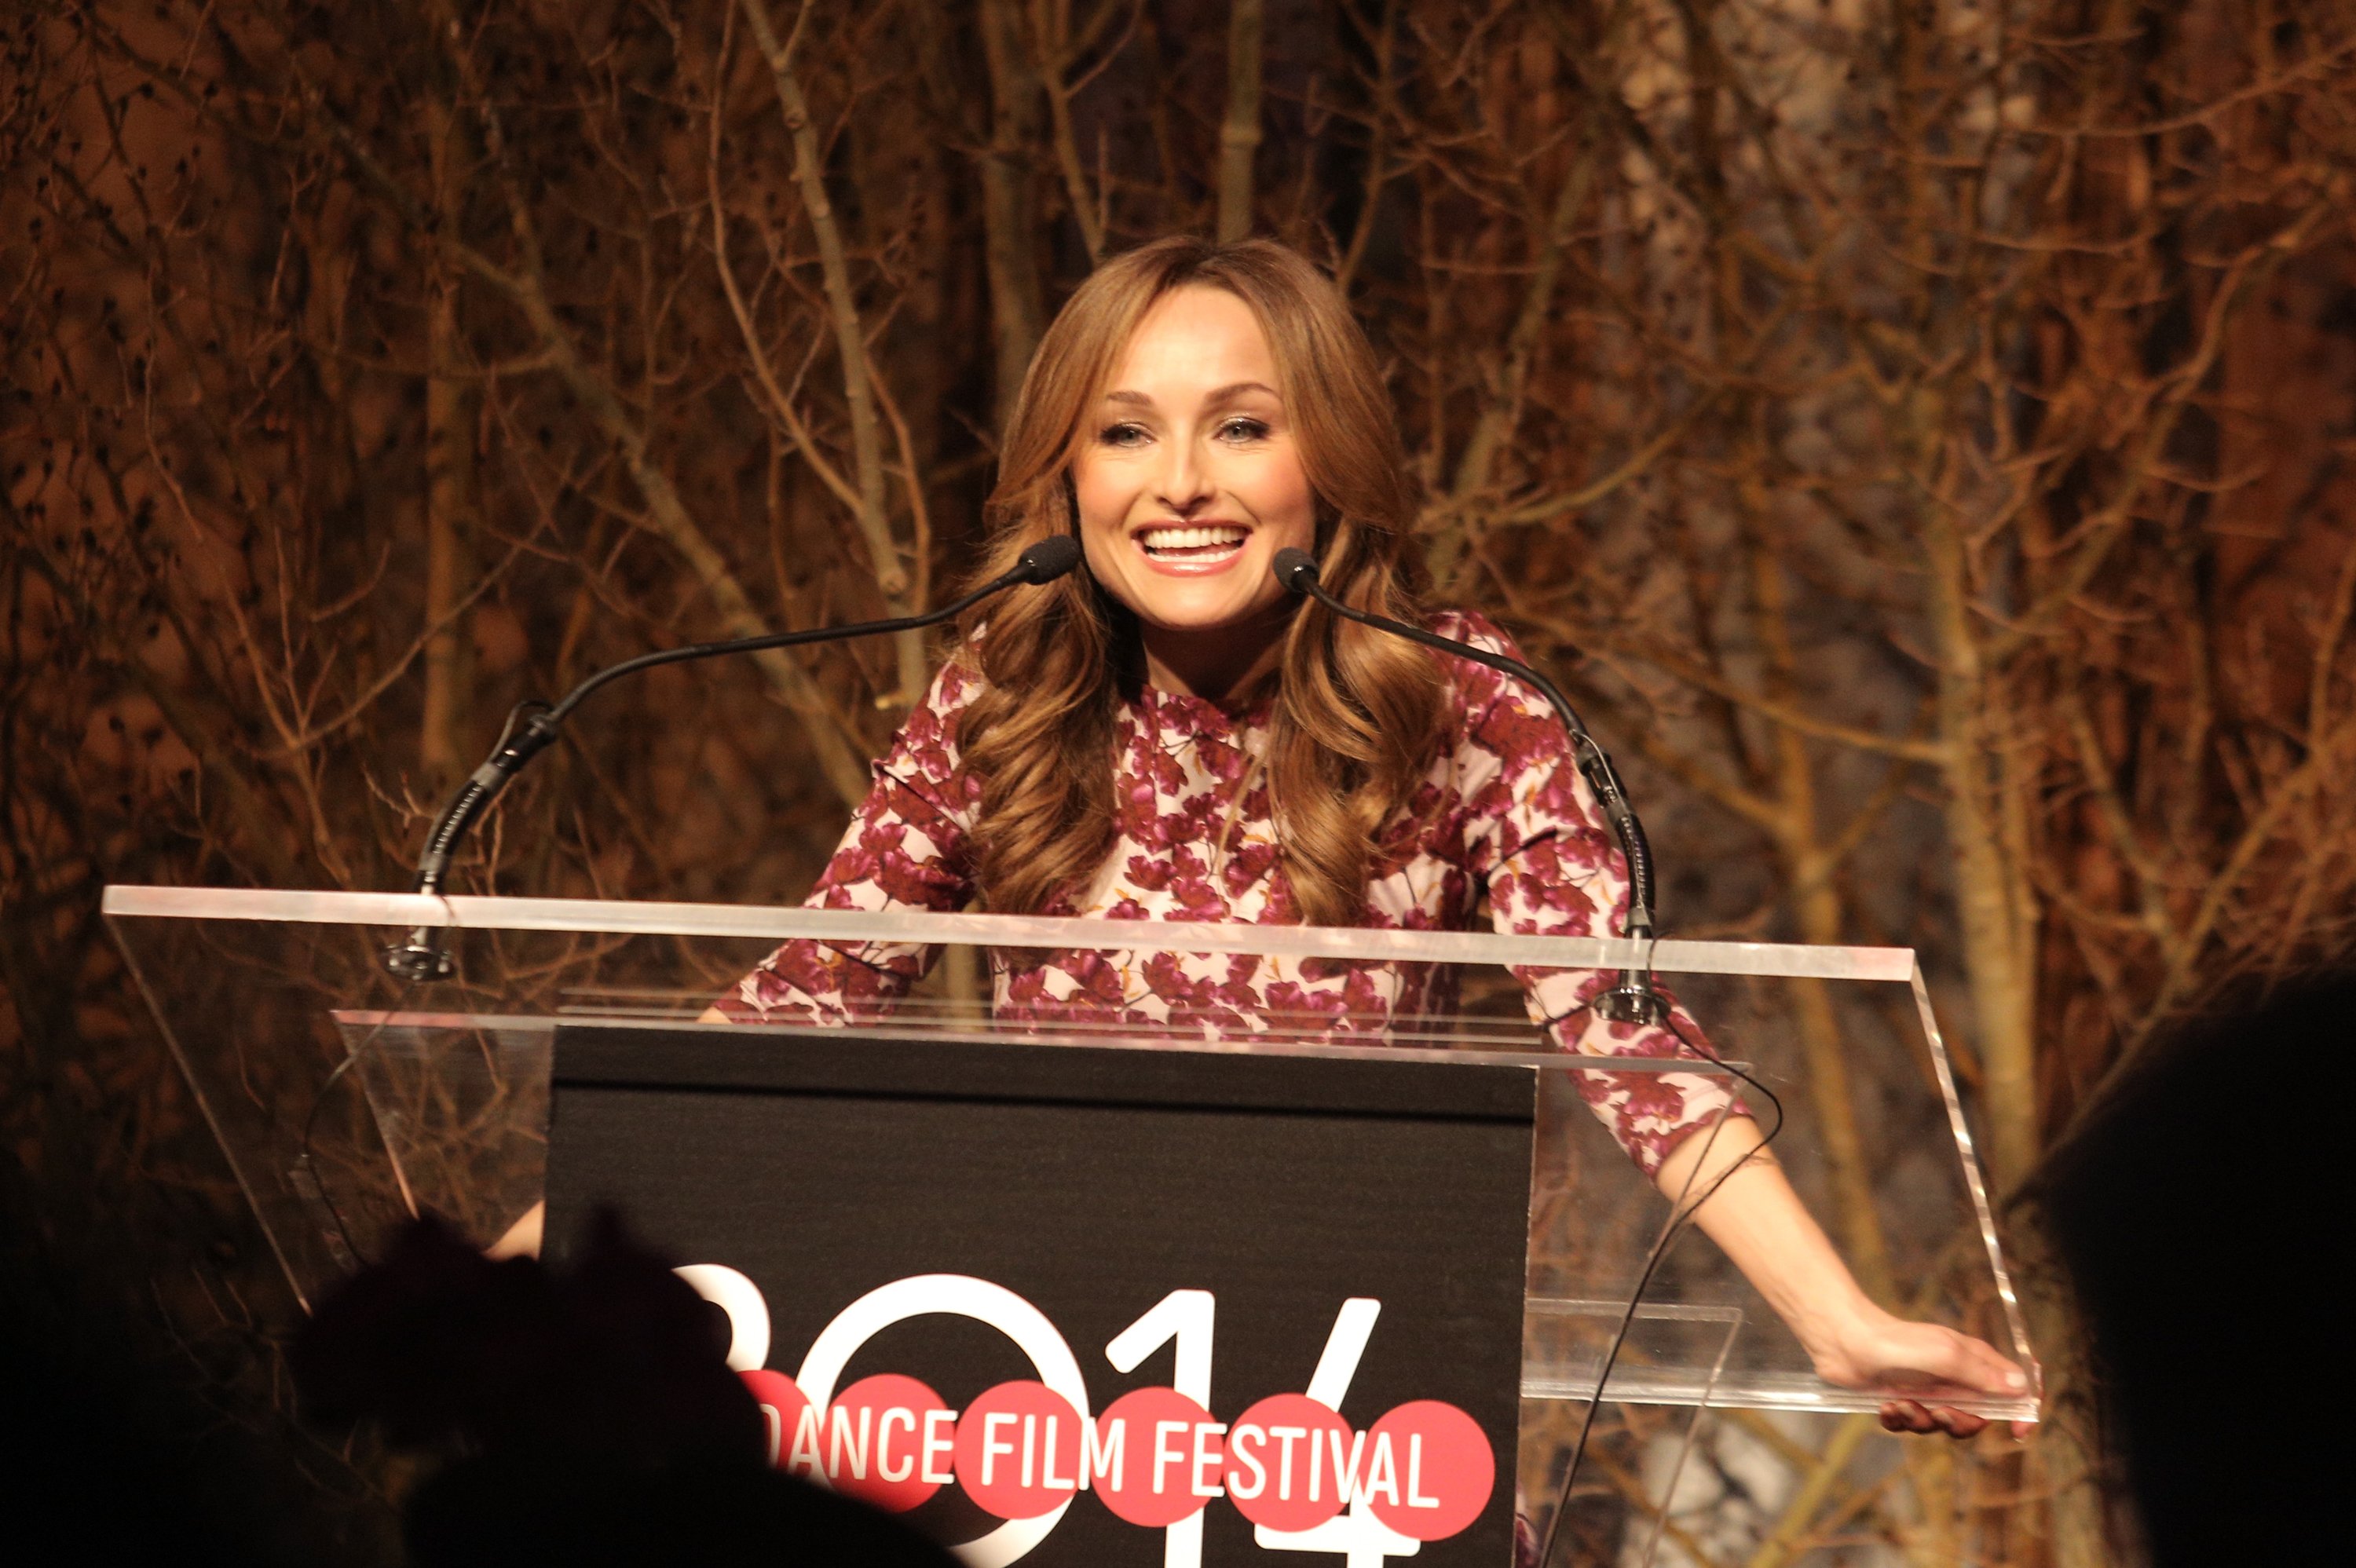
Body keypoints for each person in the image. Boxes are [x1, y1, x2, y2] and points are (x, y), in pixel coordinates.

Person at [704, 235, 2029, 1440]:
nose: (1179, 485)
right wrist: (524, 1270)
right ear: (1069, 470)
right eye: (1123, 432)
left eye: (1241, 427)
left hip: (1346, 1427)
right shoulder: (1008, 686)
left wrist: (1839, 1322)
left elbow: (1624, 1038)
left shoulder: (1460, 698)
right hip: (1054, 1419)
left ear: (1326, 451)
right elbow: (797, 1005)